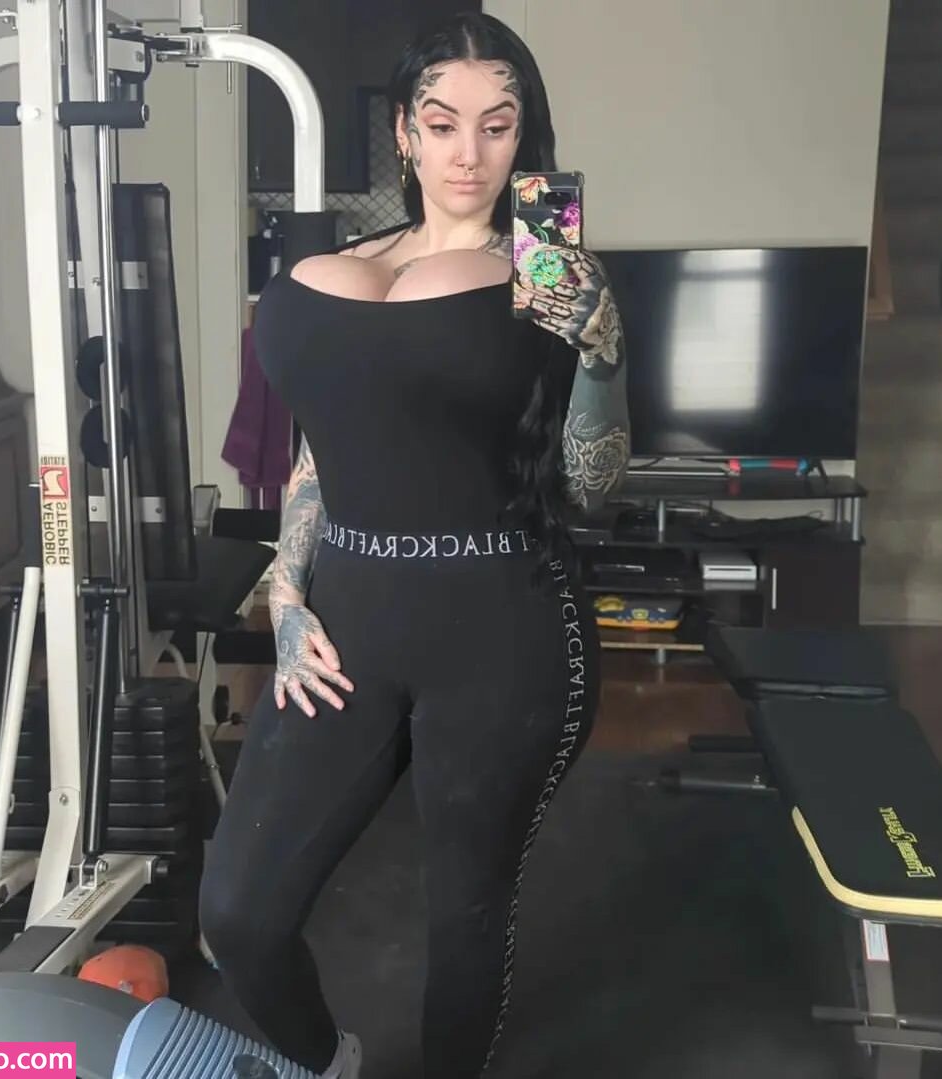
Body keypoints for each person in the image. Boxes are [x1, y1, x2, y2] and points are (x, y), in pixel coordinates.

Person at [199, 12, 631, 1079]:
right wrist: (286, 596)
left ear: (524, 134)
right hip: (344, 619)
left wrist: (602, 355)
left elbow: (591, 489)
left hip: (504, 624)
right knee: (239, 913)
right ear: (404, 131)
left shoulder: (547, 274)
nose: (468, 153)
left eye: (498, 125)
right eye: (442, 124)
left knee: (464, 911)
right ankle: (329, 1061)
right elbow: (318, 454)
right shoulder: (339, 264)